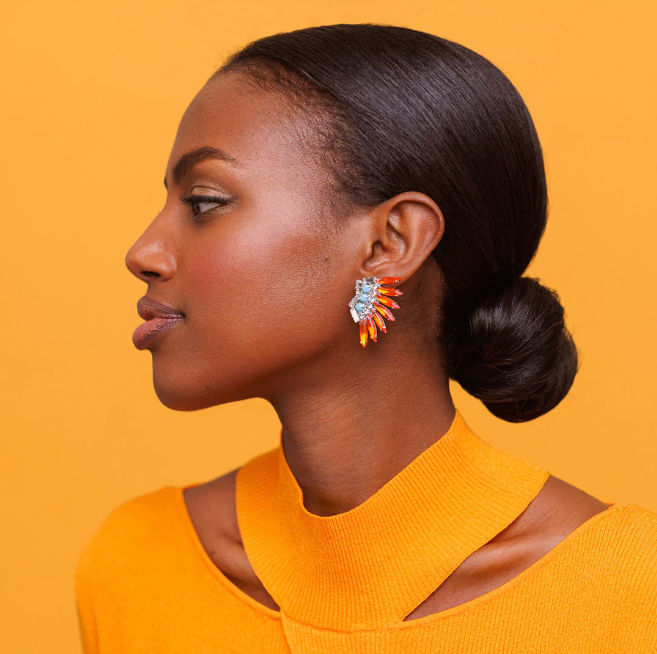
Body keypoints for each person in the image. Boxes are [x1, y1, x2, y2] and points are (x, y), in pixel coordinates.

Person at [74, 23, 657, 652]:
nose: (144, 252)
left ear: (389, 244)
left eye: (205, 201)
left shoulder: (627, 591)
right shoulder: (134, 564)